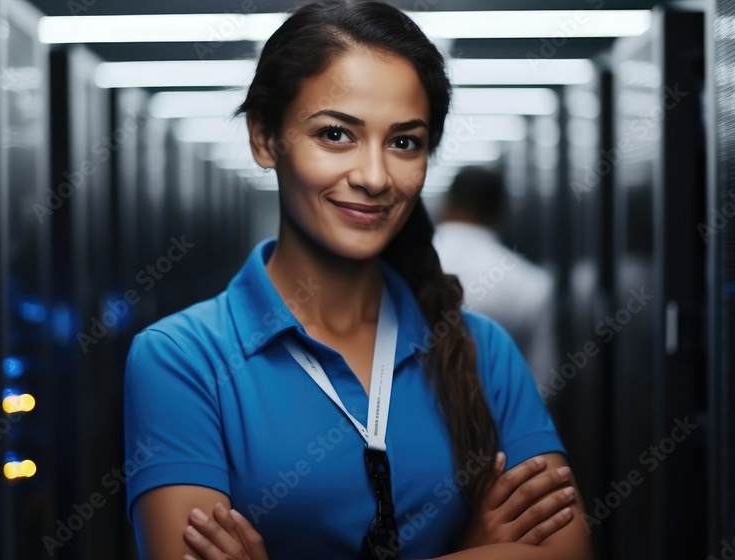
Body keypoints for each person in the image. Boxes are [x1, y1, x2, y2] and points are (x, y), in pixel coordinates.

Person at [123, 2, 592, 559]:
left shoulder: (480, 349)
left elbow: (565, 548)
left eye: (404, 142)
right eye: (336, 134)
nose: (373, 177)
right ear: (264, 139)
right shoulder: (181, 359)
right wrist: (474, 549)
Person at [431, 166, 558, 397]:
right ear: (500, 213)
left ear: (445, 205)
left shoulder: (396, 268)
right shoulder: (532, 285)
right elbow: (543, 386)